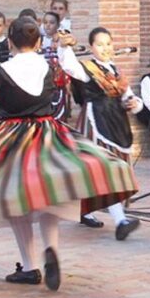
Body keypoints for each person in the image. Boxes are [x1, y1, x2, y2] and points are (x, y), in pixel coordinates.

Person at [0, 17, 139, 289]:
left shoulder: (4, 69)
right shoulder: (46, 66)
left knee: (17, 200)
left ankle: (29, 265)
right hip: (48, 132)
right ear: (37, 42)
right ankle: (52, 249)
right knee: (49, 194)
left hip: (13, 137)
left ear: (10, 42)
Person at [62, 26, 143, 239]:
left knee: (98, 172)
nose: (105, 48)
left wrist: (134, 103)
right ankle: (120, 221)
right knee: (106, 171)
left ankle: (86, 210)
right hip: (95, 123)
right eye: (99, 44)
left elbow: (131, 98)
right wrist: (65, 47)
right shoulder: (88, 69)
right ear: (91, 47)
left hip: (116, 123)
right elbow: (69, 67)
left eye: (108, 43)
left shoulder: (116, 72)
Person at [39, 12, 72, 121]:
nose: (48, 25)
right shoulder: (39, 41)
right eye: (45, 22)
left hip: (57, 82)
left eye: (52, 23)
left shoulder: (61, 41)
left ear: (58, 25)